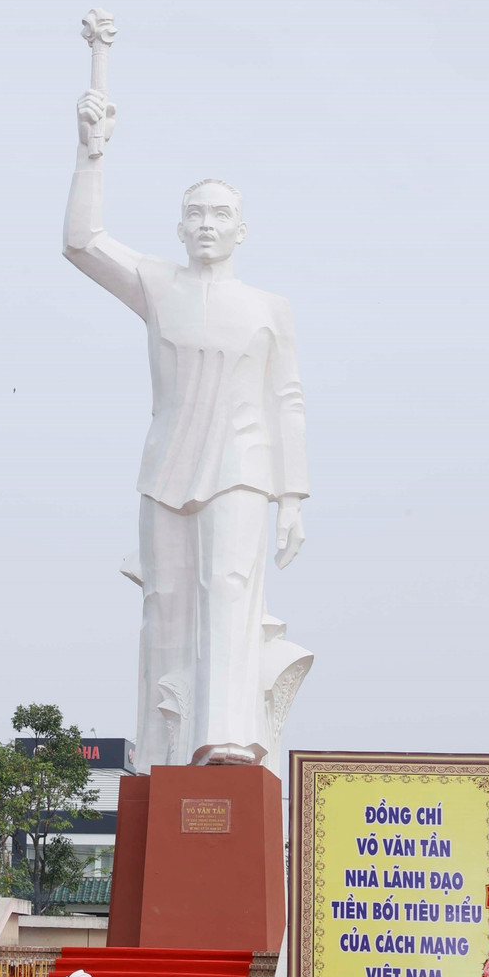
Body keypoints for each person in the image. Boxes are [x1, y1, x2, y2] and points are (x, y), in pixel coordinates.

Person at [63, 90, 311, 776]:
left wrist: (292, 497)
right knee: (165, 602)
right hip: (166, 465)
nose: (208, 224)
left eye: (220, 213)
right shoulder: (158, 285)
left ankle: (227, 736)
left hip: (242, 465)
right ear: (179, 227)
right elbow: (81, 242)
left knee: (228, 587)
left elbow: (287, 399)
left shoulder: (268, 308)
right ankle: (161, 742)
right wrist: (92, 152)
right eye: (196, 213)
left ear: (242, 229)